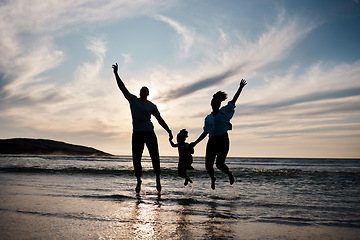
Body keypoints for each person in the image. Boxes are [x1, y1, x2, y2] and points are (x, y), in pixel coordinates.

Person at [112, 63, 173, 193]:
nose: (144, 91)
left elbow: (160, 119)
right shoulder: (133, 100)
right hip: (137, 134)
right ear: (140, 92)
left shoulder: (152, 106)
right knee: (136, 158)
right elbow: (122, 88)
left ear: (148, 93)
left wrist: (168, 130)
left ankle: (158, 178)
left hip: (149, 133)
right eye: (142, 89)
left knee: (155, 157)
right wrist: (116, 74)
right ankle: (139, 180)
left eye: (146, 90)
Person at [191, 79, 247, 190]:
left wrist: (240, 88)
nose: (214, 104)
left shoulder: (225, 111)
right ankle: (213, 178)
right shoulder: (208, 118)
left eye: (216, 103)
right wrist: (195, 143)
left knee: (220, 164)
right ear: (211, 104)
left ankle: (229, 174)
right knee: (208, 166)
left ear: (219, 103)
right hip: (212, 141)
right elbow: (205, 132)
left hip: (223, 141)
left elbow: (234, 100)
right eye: (213, 103)